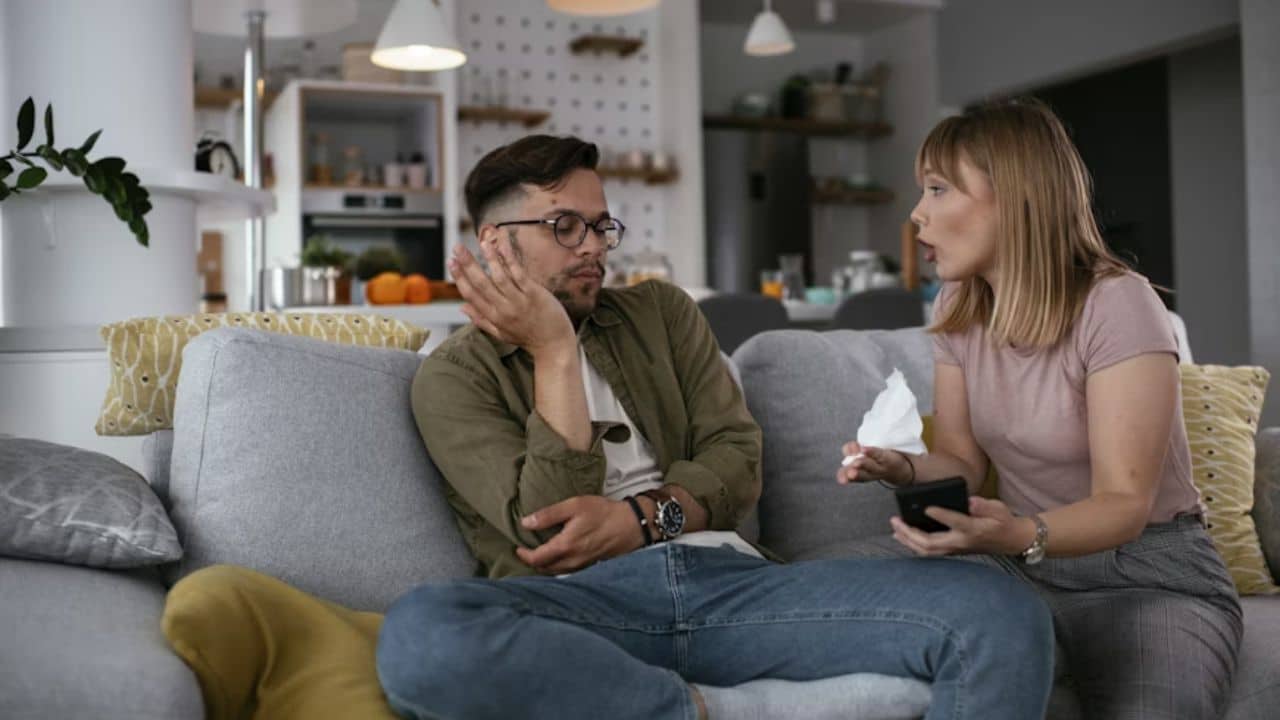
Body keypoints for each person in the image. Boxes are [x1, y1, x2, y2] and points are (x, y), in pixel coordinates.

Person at [374, 134, 1054, 720]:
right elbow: (553, 530)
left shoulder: (660, 314)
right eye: (564, 227)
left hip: (729, 583)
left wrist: (646, 520)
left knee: (1000, 612)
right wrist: (554, 352)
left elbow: (737, 460)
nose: (593, 248)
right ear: (495, 243)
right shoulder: (454, 377)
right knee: (423, 635)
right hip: (579, 612)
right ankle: (700, 710)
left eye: (601, 226)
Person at [838, 99, 1242, 719]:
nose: (917, 212)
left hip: (1147, 573)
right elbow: (963, 464)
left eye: (939, 189)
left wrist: (1022, 534)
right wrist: (901, 467)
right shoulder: (959, 305)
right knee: (837, 592)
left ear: (1014, 196)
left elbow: (1123, 505)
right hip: (1019, 566)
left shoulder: (1118, 304)